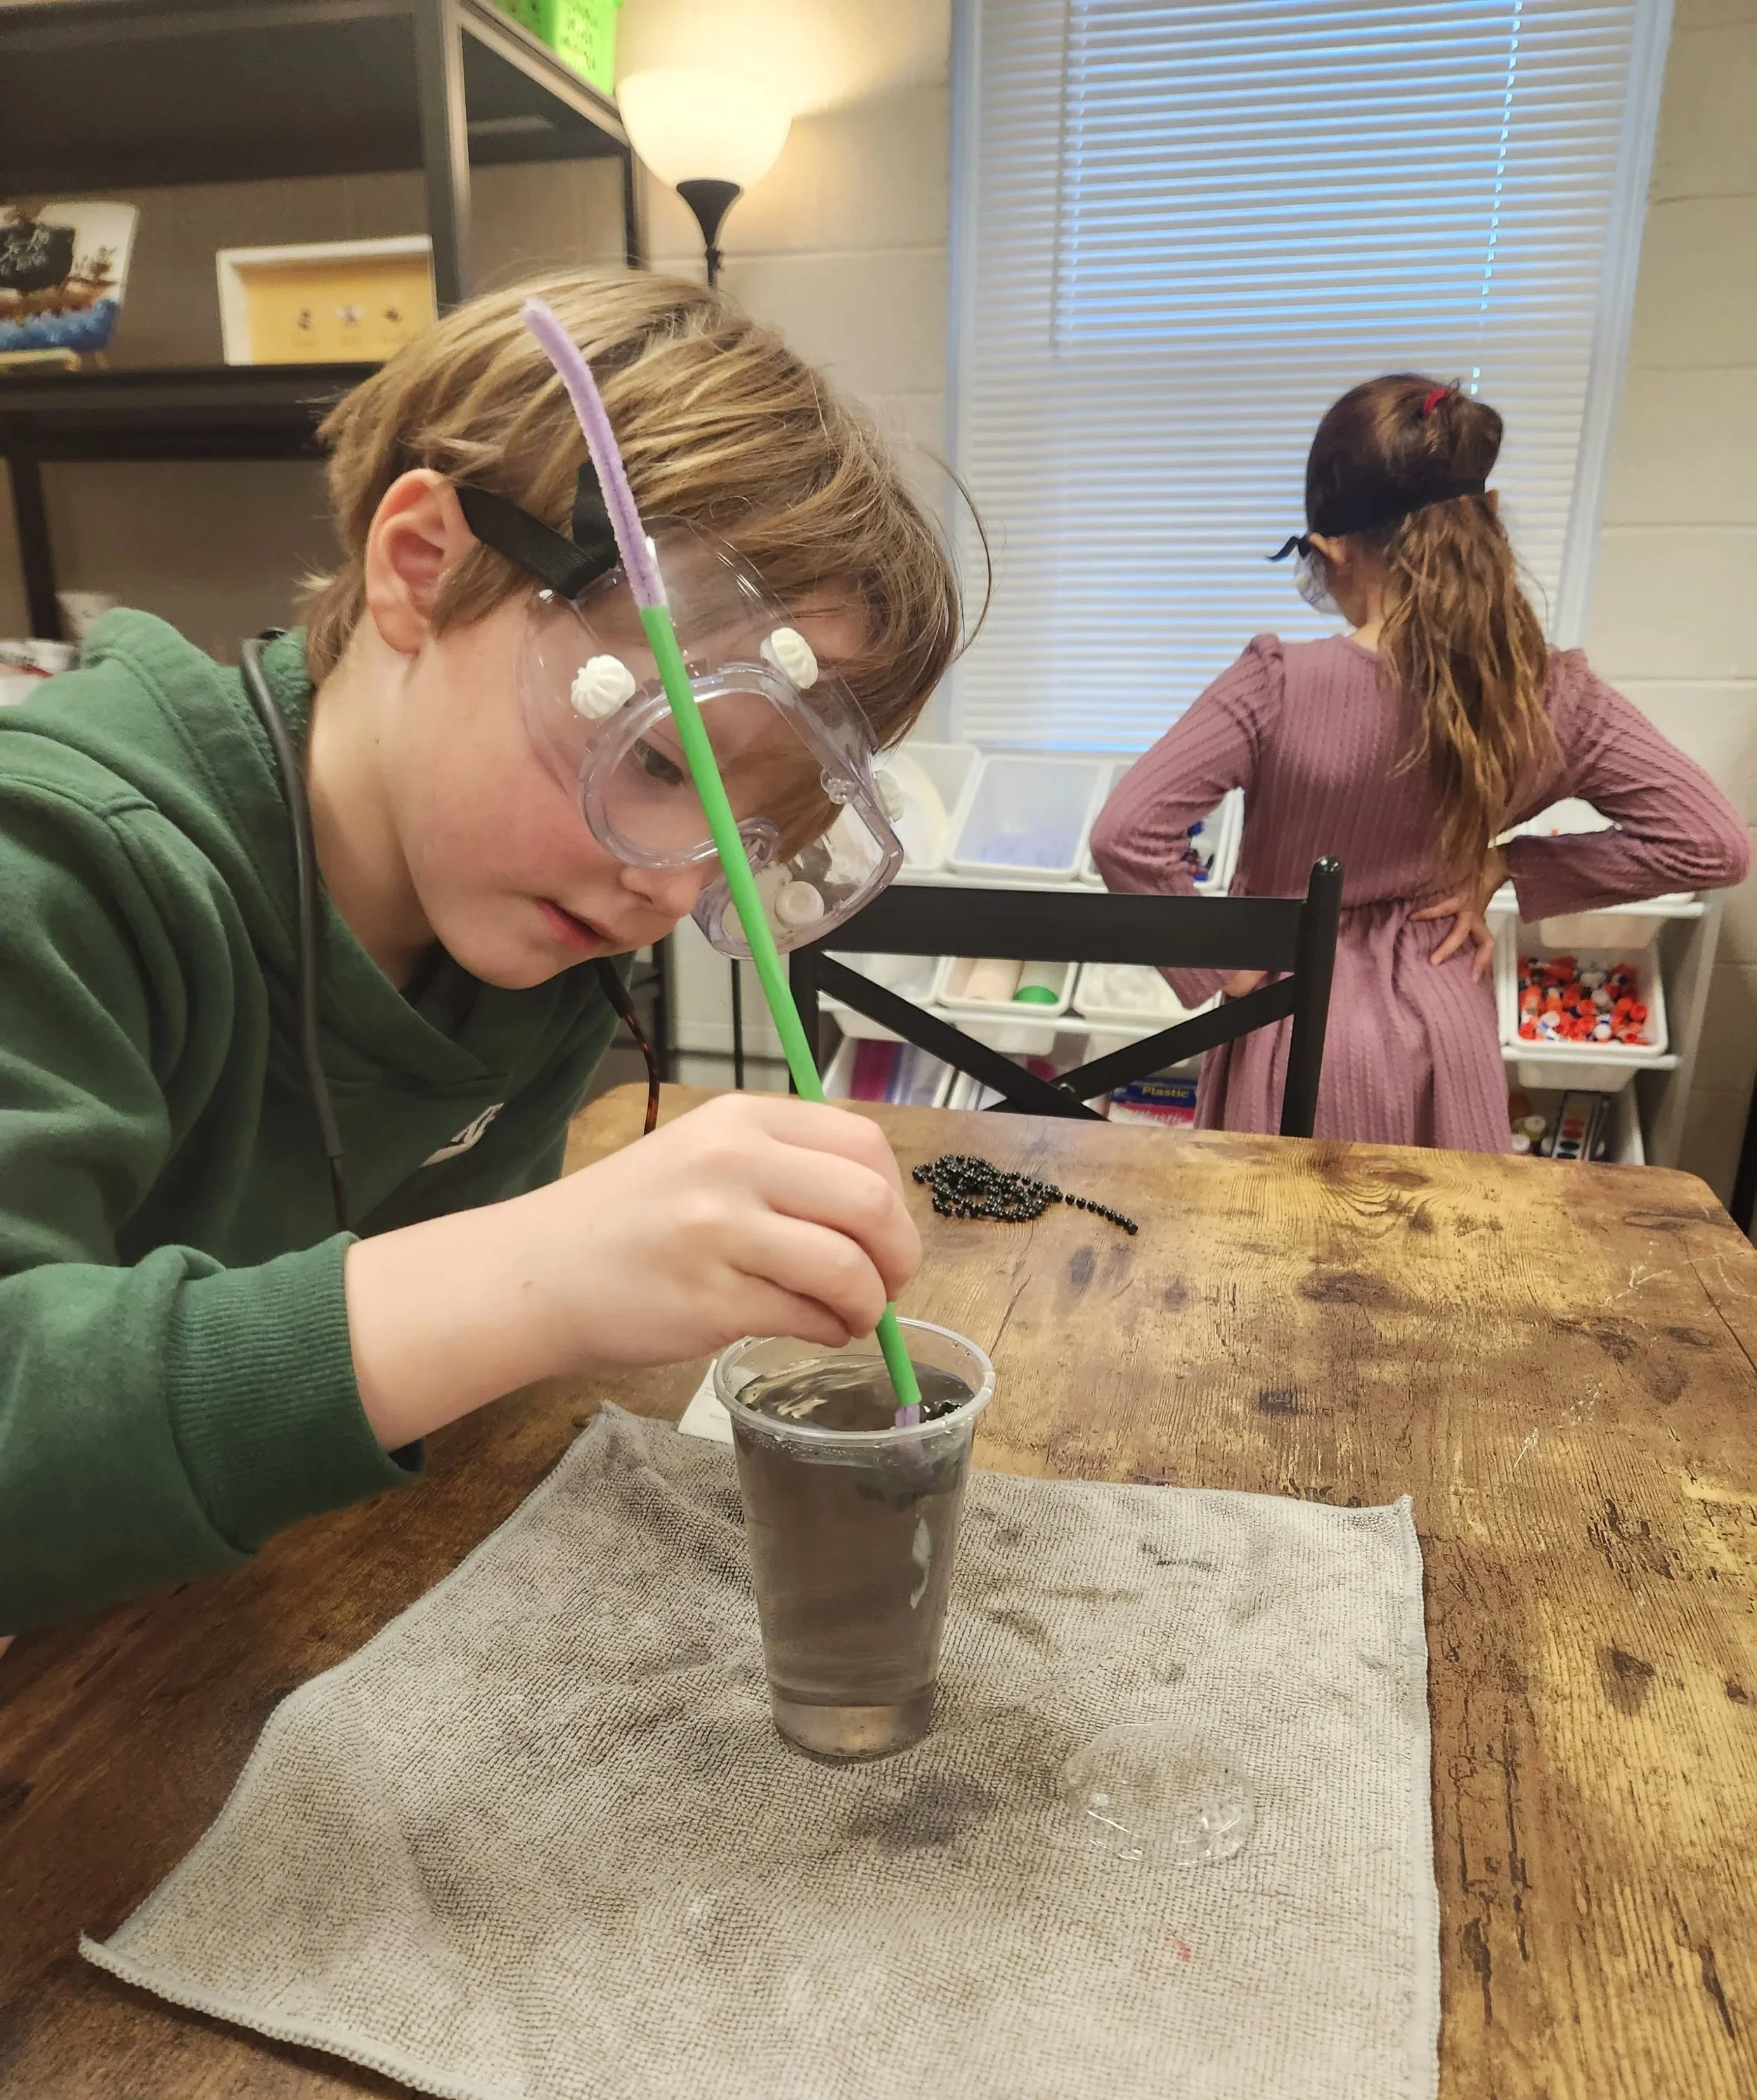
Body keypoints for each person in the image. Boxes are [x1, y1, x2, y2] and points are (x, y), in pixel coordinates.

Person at [0, 269, 967, 1639]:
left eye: (748, 831)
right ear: (418, 566)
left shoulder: (533, 931)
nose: (668, 882)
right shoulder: (54, 862)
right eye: (650, 754)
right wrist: (538, 1275)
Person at [1089, 374, 1749, 1147]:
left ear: (1331, 551)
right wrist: (1509, 866)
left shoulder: (1276, 684)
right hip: (1446, 1025)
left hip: (1293, 1032)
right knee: (1441, 1258)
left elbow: (1124, 833)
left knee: (1276, 1253)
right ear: (1490, 518)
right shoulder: (1553, 693)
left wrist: (1219, 965)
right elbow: (1712, 843)